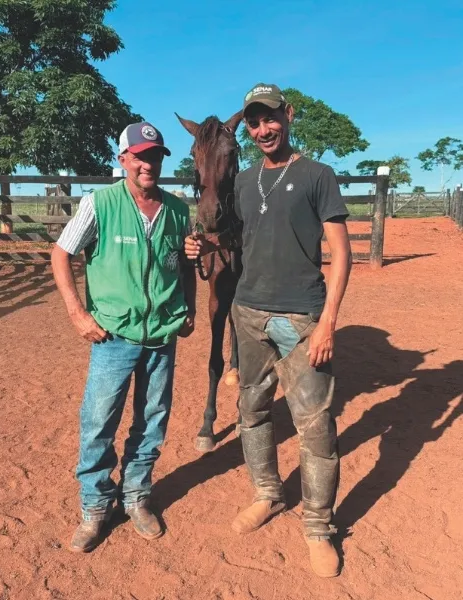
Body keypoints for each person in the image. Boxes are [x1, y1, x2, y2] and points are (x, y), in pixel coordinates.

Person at [185, 84, 352, 578]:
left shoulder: (318, 175)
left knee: (316, 427)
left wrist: (328, 322)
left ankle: (319, 527)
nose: (263, 129)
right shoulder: (244, 181)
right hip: (248, 313)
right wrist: (197, 244)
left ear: (288, 115)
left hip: (301, 316)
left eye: (271, 119)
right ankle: (267, 494)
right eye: (255, 122)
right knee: (252, 412)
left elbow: (340, 252)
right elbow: (222, 229)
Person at [52, 121, 196, 553]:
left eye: (155, 156)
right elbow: (60, 255)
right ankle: (95, 507)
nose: (148, 163)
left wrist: (188, 305)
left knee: (152, 420)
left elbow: (182, 262)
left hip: (162, 335)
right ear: (124, 160)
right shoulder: (100, 204)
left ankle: (136, 496)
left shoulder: (176, 209)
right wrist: (77, 314)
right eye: (140, 156)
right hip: (112, 335)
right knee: (99, 422)